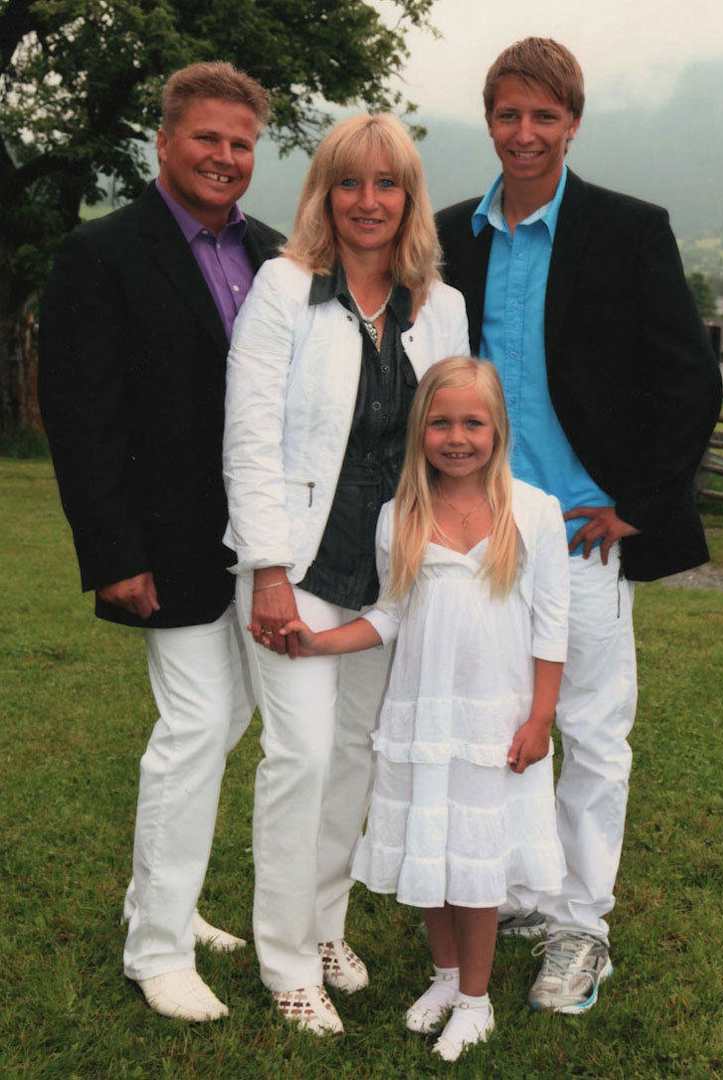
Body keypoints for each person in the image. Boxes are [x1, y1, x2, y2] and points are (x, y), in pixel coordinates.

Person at [435, 38, 723, 1012]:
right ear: (489, 121)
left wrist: (636, 503)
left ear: (572, 123)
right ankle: (522, 894)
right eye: (507, 115)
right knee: (493, 725)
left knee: (592, 731)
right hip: (476, 536)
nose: (524, 133)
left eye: (543, 116)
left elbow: (687, 379)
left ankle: (581, 926)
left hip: (579, 535)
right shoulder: (451, 236)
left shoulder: (627, 230)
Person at [38, 61, 283, 1022]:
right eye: (207, 138)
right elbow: (81, 415)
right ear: (165, 140)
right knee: (195, 726)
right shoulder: (101, 253)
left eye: (241, 143)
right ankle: (156, 952)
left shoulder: (273, 254)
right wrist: (113, 554)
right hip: (163, 542)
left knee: (227, 721)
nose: (225, 156)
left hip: (260, 540)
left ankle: (161, 903)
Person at [223, 113, 469, 1035]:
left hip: (388, 572)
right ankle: (285, 961)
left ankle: (323, 924)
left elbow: (450, 440)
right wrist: (267, 570)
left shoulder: (439, 305)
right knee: (302, 756)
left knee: (357, 755)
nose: (368, 201)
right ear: (323, 194)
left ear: (409, 198)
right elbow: (249, 437)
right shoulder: (284, 287)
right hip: (294, 563)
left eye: (387, 183)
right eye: (349, 182)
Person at [279, 357, 570, 1061]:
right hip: (422, 717)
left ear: (497, 430)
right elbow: (389, 615)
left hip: (495, 722)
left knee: (474, 865)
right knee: (430, 852)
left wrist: (540, 718)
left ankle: (476, 1000)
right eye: (440, 423)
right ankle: (444, 977)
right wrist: (320, 641)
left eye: (472, 422)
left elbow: (552, 626)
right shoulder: (399, 515)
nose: (456, 438)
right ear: (420, 431)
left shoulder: (534, 512)